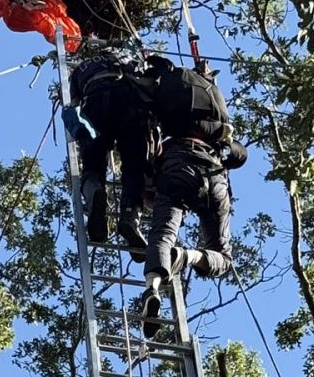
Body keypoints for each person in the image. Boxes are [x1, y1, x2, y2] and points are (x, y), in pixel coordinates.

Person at [138, 56, 248, 338]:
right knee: (224, 258)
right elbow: (239, 154)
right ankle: (188, 256)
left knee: (163, 232)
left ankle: (153, 285)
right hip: (216, 177)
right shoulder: (216, 117)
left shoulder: (168, 110)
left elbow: (148, 143)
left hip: (179, 165)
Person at [62, 46, 155, 254]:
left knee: (93, 163)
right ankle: (130, 217)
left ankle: (95, 189)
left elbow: (75, 105)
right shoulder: (129, 59)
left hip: (95, 99)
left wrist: (83, 133)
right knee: (134, 167)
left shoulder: (80, 69)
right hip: (130, 102)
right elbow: (150, 85)